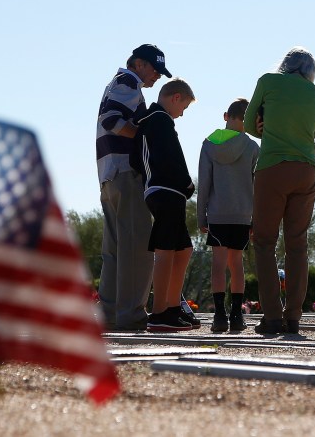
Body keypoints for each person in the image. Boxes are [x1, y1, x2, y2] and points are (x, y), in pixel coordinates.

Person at [243, 46, 315, 335]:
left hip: (273, 167)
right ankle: (293, 317)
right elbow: (309, 132)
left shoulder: (268, 81)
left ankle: (272, 317)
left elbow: (249, 123)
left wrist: (264, 128)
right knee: (297, 244)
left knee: (264, 243)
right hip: (306, 169)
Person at [95, 44, 172, 331]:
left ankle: (111, 315)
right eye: (154, 69)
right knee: (139, 246)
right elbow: (112, 120)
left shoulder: (117, 83)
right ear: (138, 64)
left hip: (109, 173)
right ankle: (131, 315)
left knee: (114, 250)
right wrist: (146, 135)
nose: (157, 77)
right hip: (126, 172)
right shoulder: (128, 81)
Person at [137, 78, 196, 332]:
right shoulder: (157, 118)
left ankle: (172, 307)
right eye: (183, 107)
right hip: (164, 190)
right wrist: (185, 182)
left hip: (170, 191)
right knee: (165, 249)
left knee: (183, 249)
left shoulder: (158, 119)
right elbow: (170, 157)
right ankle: (159, 311)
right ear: (175, 97)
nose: (182, 114)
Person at [197, 98, 260, 332]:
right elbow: (257, 185)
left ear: (226, 116)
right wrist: (257, 217)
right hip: (243, 213)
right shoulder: (253, 147)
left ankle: (219, 316)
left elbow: (204, 183)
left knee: (218, 265)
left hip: (217, 213)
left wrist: (201, 214)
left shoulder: (209, 143)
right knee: (237, 264)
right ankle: (237, 315)